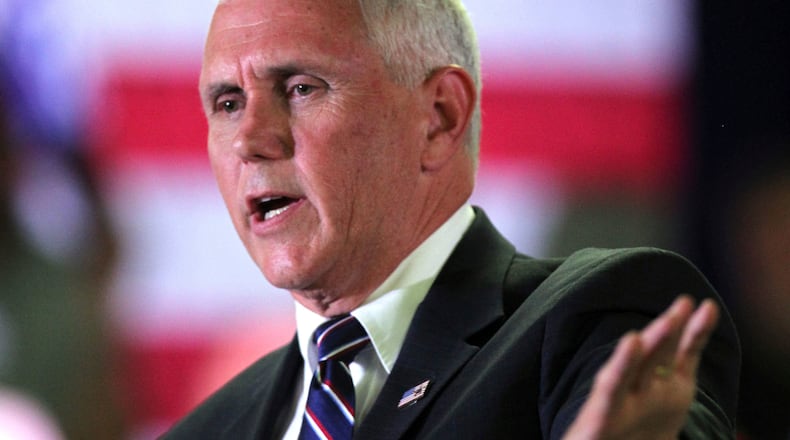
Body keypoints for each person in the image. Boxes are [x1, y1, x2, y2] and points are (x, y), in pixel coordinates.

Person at [165, 0, 740, 438]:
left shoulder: (596, 319)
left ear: (440, 117)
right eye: (228, 103)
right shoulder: (209, 429)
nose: (249, 140)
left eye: (300, 88)